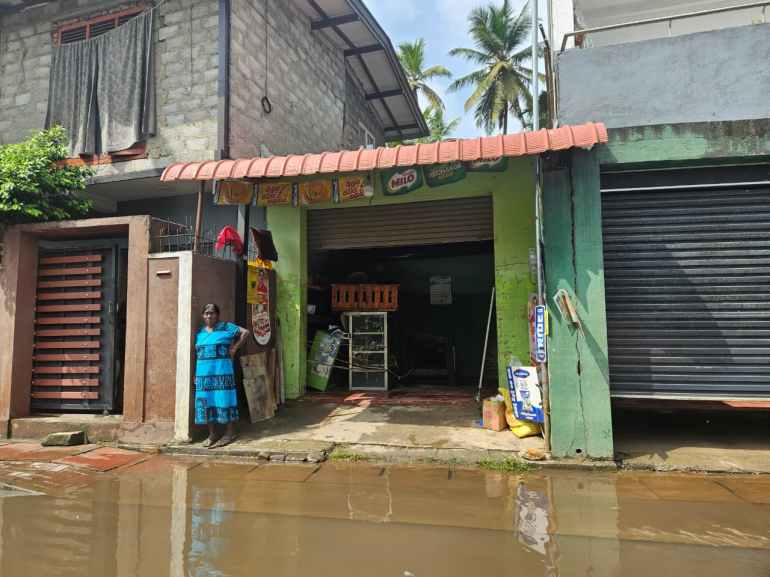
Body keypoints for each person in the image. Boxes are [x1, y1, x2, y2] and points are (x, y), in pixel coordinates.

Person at [194, 303, 250, 448]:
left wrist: (234, 348)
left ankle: (230, 432)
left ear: (217, 315)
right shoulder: (200, 332)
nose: (209, 316)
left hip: (222, 372)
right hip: (204, 375)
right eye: (206, 313)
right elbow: (198, 354)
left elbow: (245, 333)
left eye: (212, 313)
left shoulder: (226, 327)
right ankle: (212, 434)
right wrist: (195, 374)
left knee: (225, 400)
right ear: (203, 315)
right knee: (206, 402)